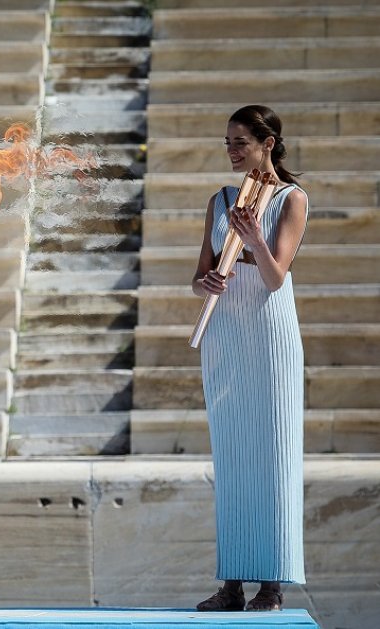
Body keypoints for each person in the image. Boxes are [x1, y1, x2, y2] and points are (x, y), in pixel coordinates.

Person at [191, 104, 309, 612]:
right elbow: (198, 277)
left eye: (241, 142)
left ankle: (273, 584)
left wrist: (255, 236)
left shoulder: (291, 199)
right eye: (228, 143)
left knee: (274, 454)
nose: (233, 151)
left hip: (269, 332)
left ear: (268, 143)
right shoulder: (220, 200)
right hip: (225, 333)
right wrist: (207, 281)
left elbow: (275, 275)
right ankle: (232, 583)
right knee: (233, 457)